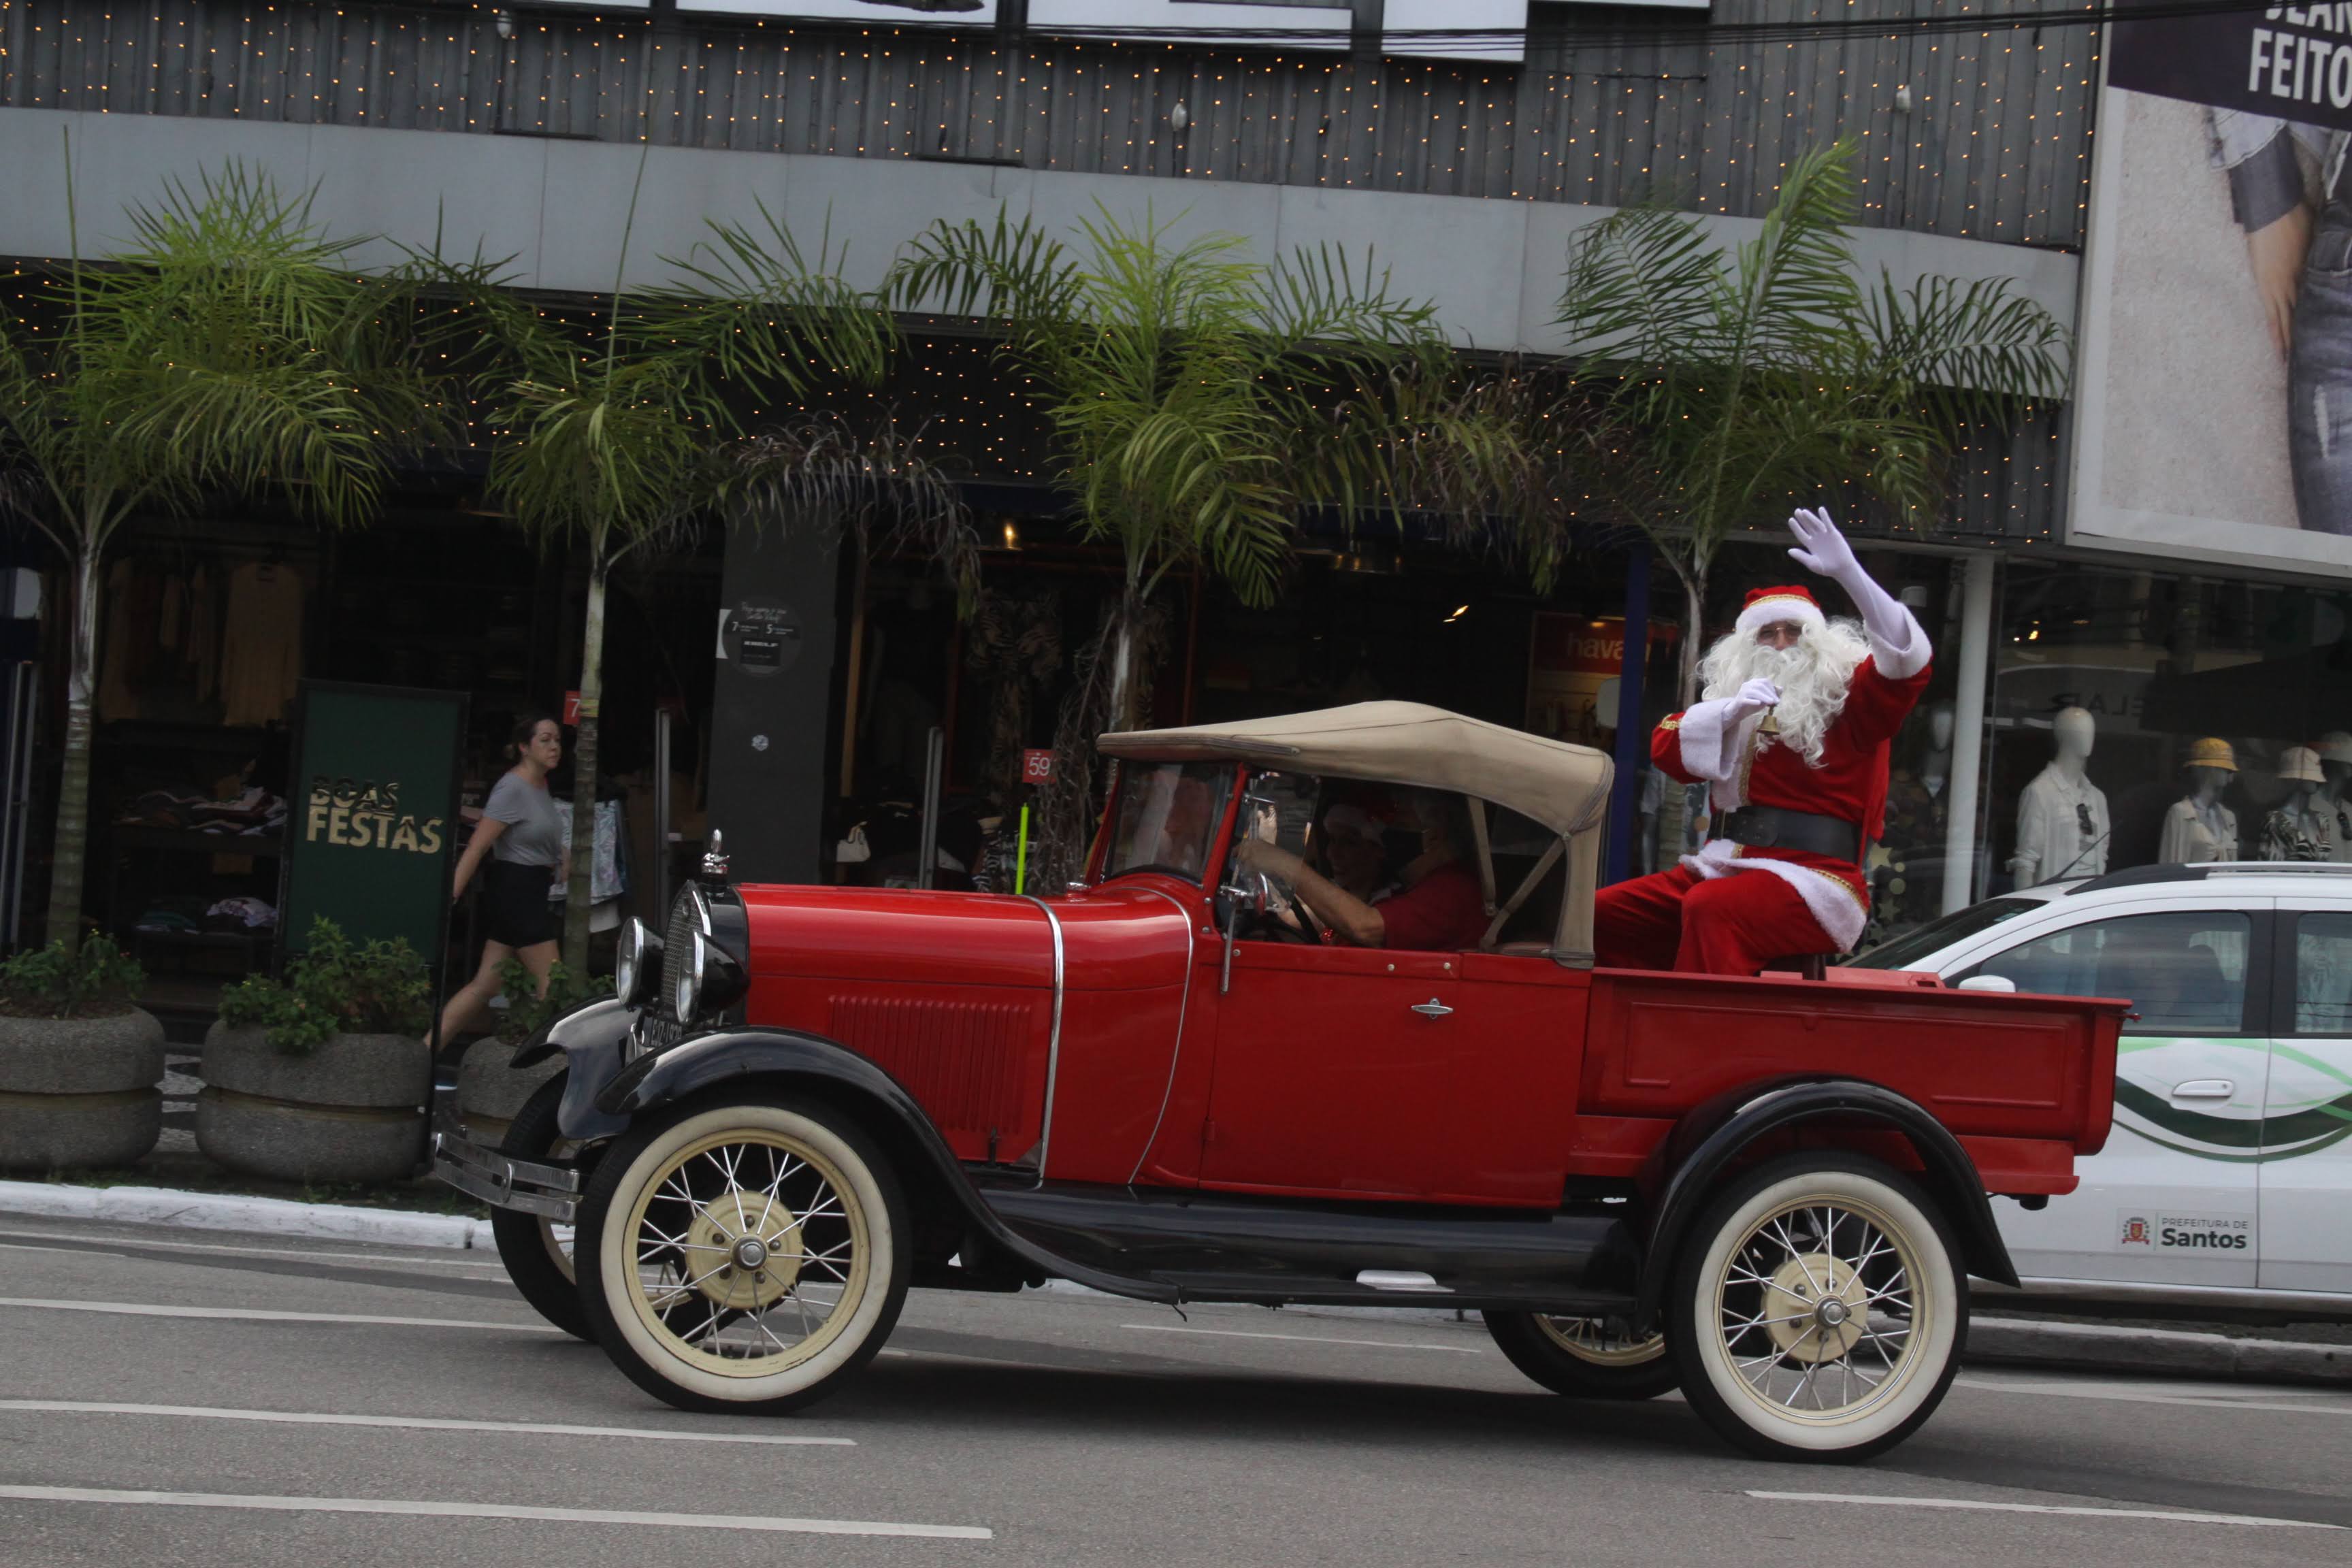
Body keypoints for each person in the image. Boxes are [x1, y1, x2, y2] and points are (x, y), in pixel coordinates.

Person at [1594, 507, 1932, 975]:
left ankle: (1704, 1036)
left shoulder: (1850, 697)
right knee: (1601, 915)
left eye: (1793, 631)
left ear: (1818, 639)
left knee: (1713, 908)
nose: (1779, 643)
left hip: (1818, 881)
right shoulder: (1738, 702)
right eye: (1766, 633)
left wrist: (1851, 575)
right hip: (1726, 864)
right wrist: (1728, 714)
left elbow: (1906, 659)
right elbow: (1666, 749)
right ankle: (1632, 1023)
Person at [435, 713, 570, 1051]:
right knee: (553, 988)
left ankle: (424, 1051)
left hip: (531, 890)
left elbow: (534, 832)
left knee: (485, 986)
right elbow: (479, 846)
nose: (554, 747)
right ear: (524, 747)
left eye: (557, 739)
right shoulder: (512, 788)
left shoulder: (540, 785)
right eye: (545, 740)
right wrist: (451, 894)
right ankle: (541, 1064)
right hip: (517, 893)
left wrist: (561, 854)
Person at [1239, 789, 1486, 951]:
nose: (1392, 835)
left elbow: (1366, 927)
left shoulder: (1453, 890)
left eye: (1401, 825)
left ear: (1435, 837)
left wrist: (1285, 864)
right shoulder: (1421, 886)